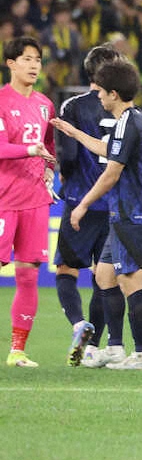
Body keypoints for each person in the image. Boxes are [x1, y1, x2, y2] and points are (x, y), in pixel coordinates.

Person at [52, 60, 142, 370]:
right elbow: (105, 149)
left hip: (131, 213)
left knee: (131, 281)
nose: (97, 96)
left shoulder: (128, 123)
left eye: (101, 92)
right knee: (104, 275)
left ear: (113, 93)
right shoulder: (132, 121)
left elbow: (111, 172)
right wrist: (73, 132)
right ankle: (114, 347)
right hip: (123, 212)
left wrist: (82, 204)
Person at [54, 44, 120, 367]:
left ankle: (80, 323)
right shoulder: (122, 107)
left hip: (81, 199)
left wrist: (65, 178)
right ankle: (93, 348)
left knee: (66, 269)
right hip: (112, 203)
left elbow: (66, 155)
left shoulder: (74, 106)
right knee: (103, 276)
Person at [0, 37, 58, 367]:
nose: (34, 65)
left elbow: (48, 144)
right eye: (26, 59)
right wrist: (30, 150)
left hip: (35, 200)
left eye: (37, 59)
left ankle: (17, 351)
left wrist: (49, 169)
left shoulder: (44, 105)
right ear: (10, 63)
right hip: (4, 199)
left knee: (28, 275)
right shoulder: (1, 102)